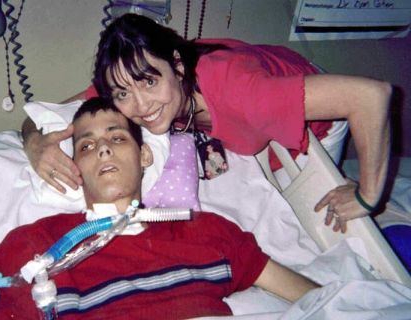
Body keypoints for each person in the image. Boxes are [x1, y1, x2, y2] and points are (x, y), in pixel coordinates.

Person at [22, 14, 391, 233]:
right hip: (260, 83)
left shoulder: (245, 95)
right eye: (122, 94)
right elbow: (40, 114)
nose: (139, 106)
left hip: (314, 122)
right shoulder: (131, 78)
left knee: (304, 217)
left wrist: (368, 197)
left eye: (150, 82)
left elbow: (371, 96)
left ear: (178, 66)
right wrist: (34, 144)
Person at [0, 98, 319, 319]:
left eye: (117, 139)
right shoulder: (35, 249)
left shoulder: (206, 232)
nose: (102, 149)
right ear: (75, 167)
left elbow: (317, 301)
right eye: (87, 145)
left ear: (145, 156)